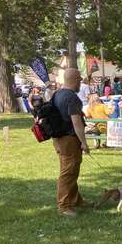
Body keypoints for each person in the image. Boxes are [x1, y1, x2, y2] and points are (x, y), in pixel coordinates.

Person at [52, 68, 90, 217]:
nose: (80, 82)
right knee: (68, 173)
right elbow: (76, 122)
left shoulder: (57, 94)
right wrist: (84, 142)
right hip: (69, 139)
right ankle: (64, 205)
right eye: (79, 80)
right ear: (74, 80)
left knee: (71, 170)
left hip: (59, 138)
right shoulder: (72, 97)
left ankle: (75, 200)